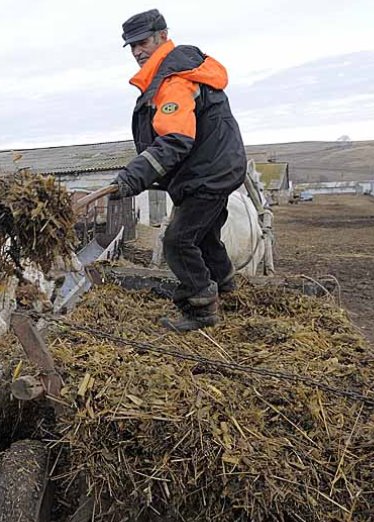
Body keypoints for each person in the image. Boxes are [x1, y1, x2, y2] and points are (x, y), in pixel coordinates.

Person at [109, 9, 247, 332]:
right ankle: (226, 288)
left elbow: (175, 140)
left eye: (142, 42)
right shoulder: (173, 74)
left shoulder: (174, 80)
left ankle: (201, 307)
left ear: (162, 36)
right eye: (131, 46)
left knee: (177, 241)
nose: (137, 51)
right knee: (205, 237)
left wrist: (133, 176)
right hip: (214, 168)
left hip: (208, 174)